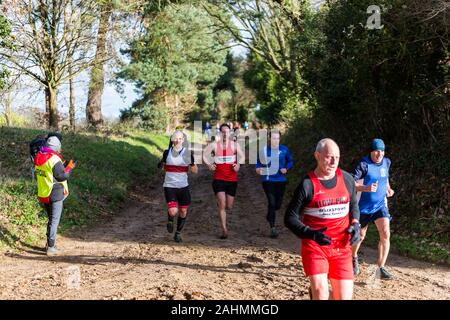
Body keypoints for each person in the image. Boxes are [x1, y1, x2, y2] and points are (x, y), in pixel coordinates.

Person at [284, 138, 361, 300]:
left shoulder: (347, 179)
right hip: (315, 247)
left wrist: (355, 223)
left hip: (342, 247)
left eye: (337, 157)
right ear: (317, 156)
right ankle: (316, 292)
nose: (334, 161)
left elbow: (353, 205)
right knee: (321, 293)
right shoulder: (307, 184)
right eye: (329, 157)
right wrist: (310, 234)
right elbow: (289, 218)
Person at [351, 138, 395, 279]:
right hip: (363, 207)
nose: (380, 154)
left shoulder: (386, 162)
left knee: (385, 233)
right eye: (377, 151)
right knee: (360, 236)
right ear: (371, 151)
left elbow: (385, 178)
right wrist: (365, 188)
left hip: (380, 206)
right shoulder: (363, 165)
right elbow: (351, 182)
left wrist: (388, 188)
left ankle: (380, 268)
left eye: (382, 151)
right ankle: (353, 257)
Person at [34, 136, 75, 256]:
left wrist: (63, 166)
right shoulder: (54, 159)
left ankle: (48, 244)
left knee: (51, 219)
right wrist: (70, 167)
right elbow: (62, 176)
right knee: (54, 220)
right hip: (55, 192)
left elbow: (51, 172)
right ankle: (51, 248)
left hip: (44, 192)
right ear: (57, 147)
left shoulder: (39, 156)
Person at [203, 123, 245, 239]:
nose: (225, 134)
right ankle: (224, 230)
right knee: (222, 204)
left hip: (232, 179)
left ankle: (222, 204)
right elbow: (204, 155)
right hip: (218, 179)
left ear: (230, 133)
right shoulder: (214, 145)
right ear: (220, 133)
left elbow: (242, 157)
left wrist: (238, 165)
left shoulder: (235, 145)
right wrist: (209, 165)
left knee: (229, 206)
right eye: (223, 132)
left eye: (227, 132)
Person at [160, 131, 198, 243]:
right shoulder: (167, 152)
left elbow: (195, 170)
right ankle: (170, 219)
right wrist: (161, 165)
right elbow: (161, 165)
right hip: (169, 185)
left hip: (183, 186)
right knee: (172, 211)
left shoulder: (186, 153)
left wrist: (192, 165)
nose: (177, 140)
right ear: (172, 140)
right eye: (175, 138)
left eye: (180, 138)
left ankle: (178, 233)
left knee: (183, 211)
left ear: (183, 140)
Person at [256, 130, 293, 238]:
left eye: (277, 138)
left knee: (278, 205)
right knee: (272, 203)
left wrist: (286, 168)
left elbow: (290, 161)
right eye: (273, 138)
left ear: (280, 139)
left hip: (281, 180)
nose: (275, 141)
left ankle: (269, 215)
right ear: (269, 139)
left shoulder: (284, 149)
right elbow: (258, 163)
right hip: (268, 179)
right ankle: (272, 228)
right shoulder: (264, 150)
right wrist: (258, 169)